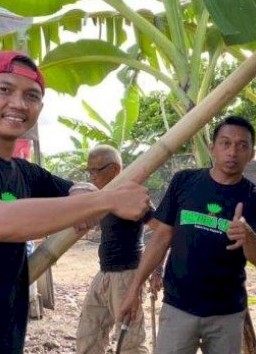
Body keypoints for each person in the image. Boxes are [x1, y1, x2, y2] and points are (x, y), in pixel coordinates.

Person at [0, 50, 150, 353]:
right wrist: (104, 201)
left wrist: (83, 194)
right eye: (4, 89)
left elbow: (78, 191)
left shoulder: (25, 173)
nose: (18, 103)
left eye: (32, 95)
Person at [119, 115, 256, 354]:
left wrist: (248, 236)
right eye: (226, 143)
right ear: (212, 148)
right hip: (178, 307)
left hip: (227, 313)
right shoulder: (185, 181)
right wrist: (134, 289)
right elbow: (161, 238)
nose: (233, 152)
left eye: (242, 146)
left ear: (251, 154)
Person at [76, 145, 154, 354]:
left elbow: (161, 231)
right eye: (89, 171)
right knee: (88, 335)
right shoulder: (102, 197)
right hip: (104, 273)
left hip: (128, 275)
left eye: (96, 170)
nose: (92, 177)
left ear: (116, 169)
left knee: (129, 343)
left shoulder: (133, 194)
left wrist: (156, 270)